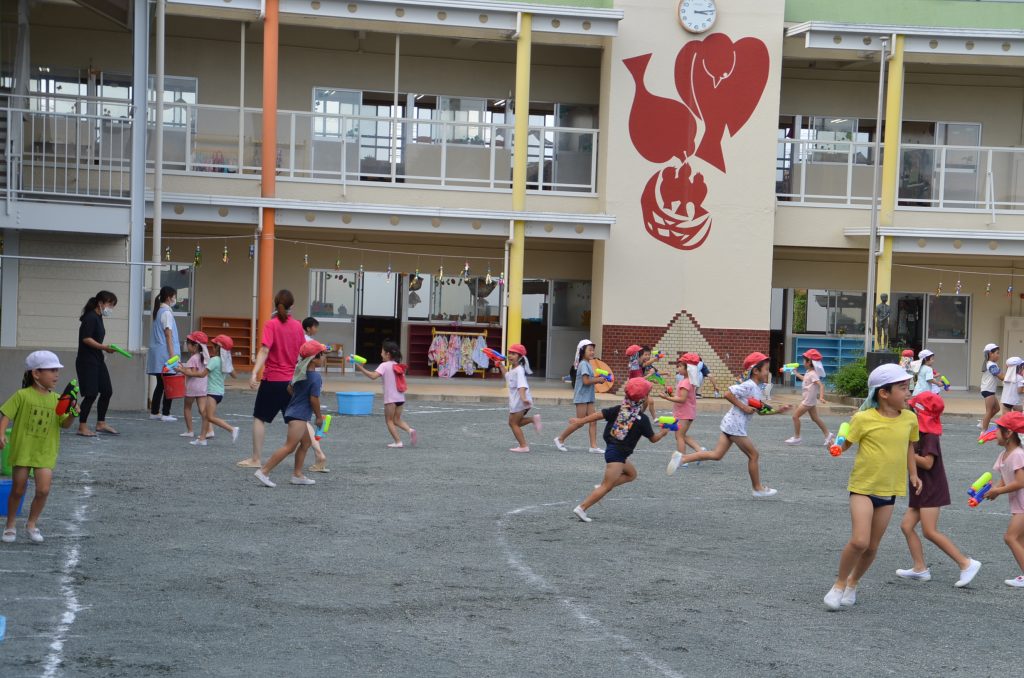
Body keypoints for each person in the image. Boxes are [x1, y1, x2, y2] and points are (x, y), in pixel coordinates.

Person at [824, 363, 923, 611]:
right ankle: (838, 585)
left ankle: (853, 584)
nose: (908, 392)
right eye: (902, 388)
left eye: (908, 387)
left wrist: (913, 474)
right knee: (859, 541)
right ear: (884, 392)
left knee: (872, 547)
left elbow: (910, 447)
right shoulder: (863, 418)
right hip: (863, 488)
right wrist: (835, 446)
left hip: (889, 491)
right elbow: (844, 444)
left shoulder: (910, 419)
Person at [673, 352, 789, 496]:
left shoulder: (756, 388)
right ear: (756, 371)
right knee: (754, 455)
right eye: (766, 369)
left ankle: (683, 458)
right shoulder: (749, 385)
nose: (768, 372)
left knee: (717, 455)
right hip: (735, 426)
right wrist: (744, 407)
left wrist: (778, 410)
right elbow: (728, 394)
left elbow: (761, 411)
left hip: (731, 424)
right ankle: (757, 488)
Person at [896, 392, 981, 587]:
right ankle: (920, 568)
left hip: (931, 487)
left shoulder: (930, 435)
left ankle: (966, 563)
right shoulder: (919, 431)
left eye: (912, 408)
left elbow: (927, 463)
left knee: (930, 531)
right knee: (906, 526)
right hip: (920, 487)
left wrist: (904, 450)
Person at [1, 351, 77, 543]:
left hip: (45, 451)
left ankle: (32, 524)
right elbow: (6, 415)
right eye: (52, 370)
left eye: (57, 370)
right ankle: (10, 525)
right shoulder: (22, 395)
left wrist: (73, 414)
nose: (56, 375)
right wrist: (1, 433)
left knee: (43, 490)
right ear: (36, 373)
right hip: (23, 450)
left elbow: (64, 424)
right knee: (18, 489)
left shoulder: (58, 400)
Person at [571, 378, 669, 522]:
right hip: (616, 454)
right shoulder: (642, 419)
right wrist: (663, 433)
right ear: (643, 399)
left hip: (616, 452)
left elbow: (599, 415)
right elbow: (653, 439)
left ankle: (601, 487)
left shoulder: (619, 409)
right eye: (648, 395)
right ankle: (581, 508)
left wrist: (580, 421)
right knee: (607, 486)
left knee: (631, 474)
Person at [239, 290, 305, 468]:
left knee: (259, 417)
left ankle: (256, 459)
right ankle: (319, 453)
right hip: (291, 381)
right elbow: (303, 353)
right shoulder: (298, 326)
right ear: (292, 306)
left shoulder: (271, 324)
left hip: (273, 380)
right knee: (298, 419)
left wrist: (254, 372)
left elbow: (265, 350)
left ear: (275, 304)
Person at [254, 341, 326, 487]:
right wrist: (318, 417)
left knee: (306, 442)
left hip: (294, 412)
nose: (324, 358)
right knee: (289, 446)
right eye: (322, 355)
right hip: (299, 416)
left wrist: (298, 398)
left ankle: (297, 475)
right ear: (314, 358)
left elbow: (289, 389)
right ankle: (264, 471)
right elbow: (314, 398)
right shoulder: (315, 377)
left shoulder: (299, 371)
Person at [983, 411, 1024, 587]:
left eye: (998, 430)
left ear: (1008, 434)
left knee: (1010, 537)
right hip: (1018, 505)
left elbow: (1021, 482)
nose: (994, 433)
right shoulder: (1004, 455)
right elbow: (1005, 478)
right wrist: (994, 489)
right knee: (1019, 540)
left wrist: (998, 492)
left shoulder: (1018, 454)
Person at [352, 340, 417, 448]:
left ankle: (398, 442)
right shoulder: (397, 365)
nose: (380, 354)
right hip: (400, 398)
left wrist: (361, 368)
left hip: (390, 398)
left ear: (387, 354)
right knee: (397, 419)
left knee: (389, 421)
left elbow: (373, 376)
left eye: (382, 352)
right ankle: (410, 430)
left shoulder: (384, 365)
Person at [75, 291, 119, 437]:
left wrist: (104, 350)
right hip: (87, 361)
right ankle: (82, 426)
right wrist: (104, 347)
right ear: (100, 302)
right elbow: (86, 339)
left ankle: (101, 423)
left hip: (97, 360)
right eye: (110, 304)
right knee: (91, 394)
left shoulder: (99, 317)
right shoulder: (90, 318)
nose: (111, 308)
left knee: (107, 390)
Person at [554, 340, 608, 454]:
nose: (592, 352)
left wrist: (597, 377)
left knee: (593, 420)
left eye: (593, 350)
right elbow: (586, 381)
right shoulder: (584, 364)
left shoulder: (587, 363)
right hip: (582, 397)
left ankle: (593, 446)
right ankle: (560, 439)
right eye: (590, 350)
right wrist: (598, 380)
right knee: (580, 422)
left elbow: (588, 379)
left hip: (588, 397)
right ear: (583, 351)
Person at [662, 353, 704, 474]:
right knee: (682, 435)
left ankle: (682, 459)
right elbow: (680, 397)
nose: (678, 368)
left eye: (680, 366)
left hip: (684, 413)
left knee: (679, 436)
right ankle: (699, 451)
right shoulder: (687, 381)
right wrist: (671, 395)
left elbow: (682, 399)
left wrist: (667, 398)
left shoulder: (685, 382)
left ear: (688, 369)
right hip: (685, 412)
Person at [495, 343, 540, 453]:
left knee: (513, 423)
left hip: (519, 400)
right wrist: (501, 366)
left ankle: (523, 446)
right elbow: (507, 377)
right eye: (509, 353)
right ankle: (532, 419)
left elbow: (522, 385)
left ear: (520, 357)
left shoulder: (519, 370)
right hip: (518, 400)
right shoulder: (513, 368)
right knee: (516, 422)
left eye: (514, 354)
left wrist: (523, 398)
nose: (510, 355)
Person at [197, 334, 240, 445]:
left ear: (218, 348)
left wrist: (184, 371)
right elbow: (235, 375)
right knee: (206, 415)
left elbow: (202, 374)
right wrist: (229, 363)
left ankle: (232, 429)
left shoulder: (214, 360)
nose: (212, 347)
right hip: (219, 393)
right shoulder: (225, 361)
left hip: (212, 392)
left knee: (210, 417)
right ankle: (202, 439)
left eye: (214, 345)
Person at [298, 318, 329, 470]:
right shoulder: (307, 340)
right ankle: (317, 455)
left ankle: (318, 454)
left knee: (301, 421)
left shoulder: (313, 377)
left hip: (300, 380)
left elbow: (314, 398)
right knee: (301, 421)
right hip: (303, 379)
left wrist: (318, 415)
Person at [784, 349, 832, 447]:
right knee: (815, 418)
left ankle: (797, 438)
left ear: (809, 362)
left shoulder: (813, 373)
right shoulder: (809, 372)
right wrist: (796, 374)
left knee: (795, 416)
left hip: (808, 401)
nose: (803, 362)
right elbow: (806, 379)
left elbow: (821, 385)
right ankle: (828, 435)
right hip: (810, 400)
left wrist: (821, 397)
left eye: (804, 360)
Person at [147, 286, 180, 422]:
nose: (175, 299)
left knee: (161, 384)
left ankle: (155, 412)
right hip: (165, 354)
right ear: (169, 297)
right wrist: (173, 356)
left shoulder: (158, 311)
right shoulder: (166, 313)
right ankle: (166, 413)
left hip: (158, 354)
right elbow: (168, 335)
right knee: (169, 383)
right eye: (174, 296)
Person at [176, 331, 211, 445]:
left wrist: (181, 370)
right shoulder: (204, 357)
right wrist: (184, 367)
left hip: (192, 387)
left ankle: (190, 431)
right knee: (203, 410)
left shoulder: (193, 358)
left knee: (187, 408)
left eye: (188, 343)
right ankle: (209, 430)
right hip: (202, 387)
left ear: (195, 346)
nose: (187, 345)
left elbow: (191, 373)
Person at [980, 343, 1005, 431]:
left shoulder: (991, 364)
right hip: (988, 390)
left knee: (997, 408)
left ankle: (983, 423)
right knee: (989, 411)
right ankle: (984, 431)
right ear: (991, 354)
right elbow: (1001, 377)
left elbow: (1001, 375)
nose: (999, 355)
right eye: (997, 353)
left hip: (989, 390)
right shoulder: (991, 365)